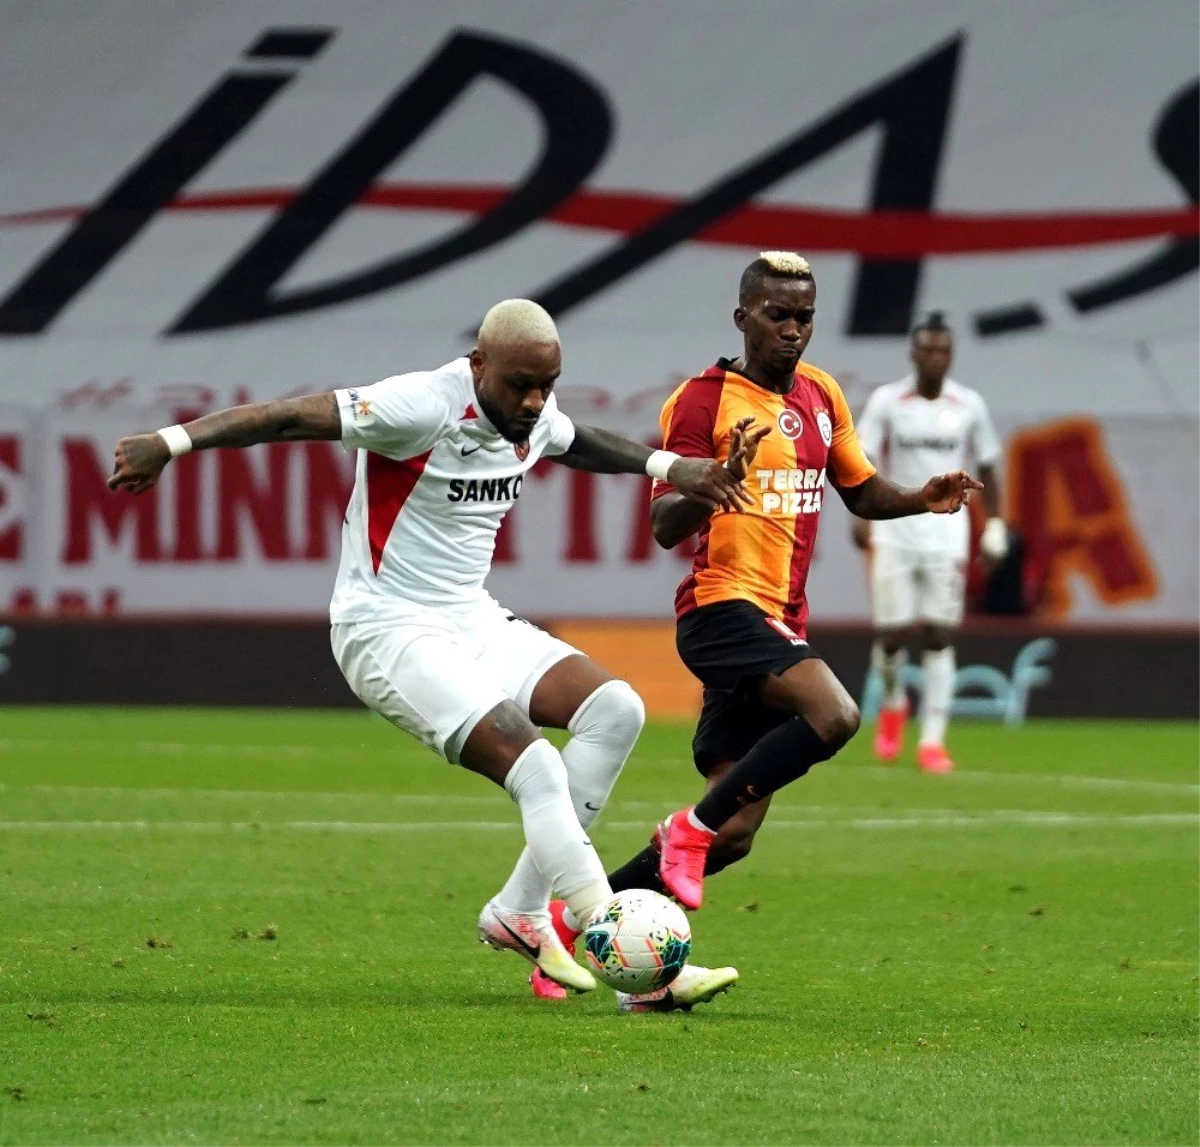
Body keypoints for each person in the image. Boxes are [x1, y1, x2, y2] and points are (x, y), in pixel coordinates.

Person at [107, 298, 748, 1010]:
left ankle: (520, 909)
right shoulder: (418, 406)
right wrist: (169, 443)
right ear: (478, 366)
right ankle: (625, 944)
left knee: (615, 710)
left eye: (548, 382)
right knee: (534, 764)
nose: (536, 401)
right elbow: (289, 417)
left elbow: (579, 441)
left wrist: (676, 468)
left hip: (468, 617)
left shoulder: (530, 411)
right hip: (385, 627)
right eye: (521, 385)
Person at [531, 251, 982, 928]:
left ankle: (574, 922)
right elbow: (662, 525)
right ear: (743, 317)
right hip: (720, 608)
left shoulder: (823, 395)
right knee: (836, 715)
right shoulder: (702, 400)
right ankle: (688, 828)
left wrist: (921, 497)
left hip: (779, 621)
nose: (792, 330)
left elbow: (858, 490)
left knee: (734, 832)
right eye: (777, 315)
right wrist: (710, 478)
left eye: (804, 317)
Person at [852, 312, 1006, 773]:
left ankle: (933, 741)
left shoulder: (969, 404)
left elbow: (990, 463)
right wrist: (862, 510)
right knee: (892, 634)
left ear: (951, 354)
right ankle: (894, 703)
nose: (936, 356)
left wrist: (995, 523)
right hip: (895, 527)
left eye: (943, 349)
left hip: (947, 532)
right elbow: (860, 456)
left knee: (940, 632)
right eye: (928, 348)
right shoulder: (887, 401)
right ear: (913, 353)